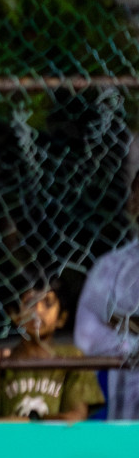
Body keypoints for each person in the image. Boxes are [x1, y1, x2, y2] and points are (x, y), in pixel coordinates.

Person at [0, 279, 104, 421]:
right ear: (14, 314)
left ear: (61, 318)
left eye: (47, 303)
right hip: (9, 443)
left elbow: (76, 417)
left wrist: (28, 422)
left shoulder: (72, 358)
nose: (38, 311)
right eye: (30, 303)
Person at [76, 172, 139, 419]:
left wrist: (123, 324)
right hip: (125, 410)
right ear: (134, 203)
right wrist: (131, 345)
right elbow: (86, 335)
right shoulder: (111, 268)